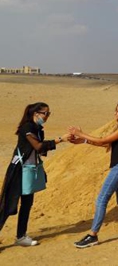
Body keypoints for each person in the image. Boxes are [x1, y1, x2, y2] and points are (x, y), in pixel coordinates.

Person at [0, 102, 71, 247]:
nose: (47, 117)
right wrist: (60, 139)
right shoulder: (27, 128)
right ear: (36, 113)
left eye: (49, 114)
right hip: (19, 170)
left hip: (30, 170)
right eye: (45, 113)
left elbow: (39, 150)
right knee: (8, 205)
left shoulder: (38, 129)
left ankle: (21, 236)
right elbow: (38, 146)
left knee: (27, 204)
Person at [69, 101, 118, 249]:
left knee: (101, 199)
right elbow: (105, 144)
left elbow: (103, 140)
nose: (115, 113)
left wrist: (80, 133)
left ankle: (93, 235)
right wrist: (84, 140)